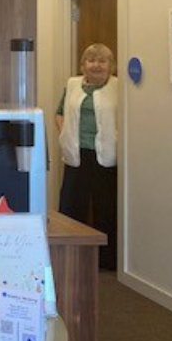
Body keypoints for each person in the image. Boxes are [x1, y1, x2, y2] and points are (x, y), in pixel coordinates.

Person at [56, 43, 118, 271]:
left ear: (111, 66)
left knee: (107, 208)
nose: (97, 65)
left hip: (106, 156)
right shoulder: (73, 84)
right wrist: (64, 135)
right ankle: (71, 258)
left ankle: (107, 261)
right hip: (76, 154)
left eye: (103, 61)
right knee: (71, 207)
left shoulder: (118, 87)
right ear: (83, 65)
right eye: (91, 60)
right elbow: (60, 112)